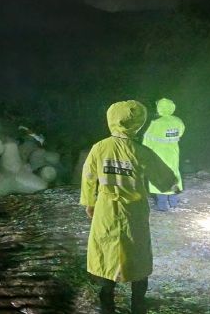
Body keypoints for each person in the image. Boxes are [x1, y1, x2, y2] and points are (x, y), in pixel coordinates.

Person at [80, 100, 177, 314]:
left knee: (106, 253)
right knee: (138, 253)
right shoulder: (140, 151)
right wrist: (172, 185)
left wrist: (89, 202)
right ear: (138, 123)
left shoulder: (100, 148)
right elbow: (163, 177)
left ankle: (107, 305)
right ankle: (138, 304)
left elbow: (88, 176)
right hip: (134, 211)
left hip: (106, 209)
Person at [143, 98, 185, 211]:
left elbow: (147, 140)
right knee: (174, 175)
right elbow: (180, 133)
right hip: (173, 153)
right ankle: (173, 203)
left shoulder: (156, 123)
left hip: (158, 155)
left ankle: (162, 206)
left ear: (159, 108)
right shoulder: (178, 121)